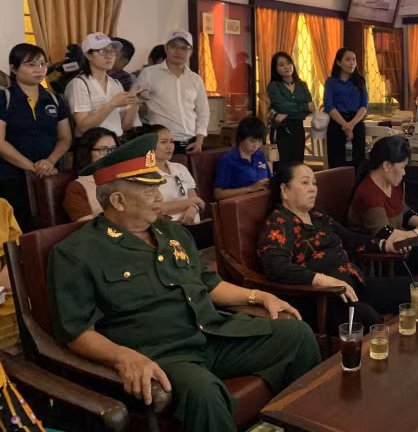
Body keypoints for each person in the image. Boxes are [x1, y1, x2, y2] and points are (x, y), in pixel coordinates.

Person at [48, 134, 320, 431]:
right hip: (164, 353)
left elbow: (206, 282)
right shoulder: (77, 253)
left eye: (157, 187)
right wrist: (123, 357)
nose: (159, 197)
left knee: (298, 335)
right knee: (204, 394)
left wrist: (257, 296)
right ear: (118, 201)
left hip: (213, 332)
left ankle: (296, 424)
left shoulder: (170, 231)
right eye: (149, 190)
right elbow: (75, 332)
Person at [259, 162, 412, 334]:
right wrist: (324, 280)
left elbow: (350, 239)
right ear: (284, 190)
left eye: (314, 183)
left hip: (352, 285)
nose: (312, 189)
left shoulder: (317, 215)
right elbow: (276, 267)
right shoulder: (278, 223)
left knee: (410, 289)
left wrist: (385, 245)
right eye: (305, 183)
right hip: (321, 299)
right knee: (366, 317)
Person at [348, 136, 418, 293]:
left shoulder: (391, 184)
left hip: (401, 245)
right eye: (402, 167)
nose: (404, 172)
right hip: (382, 256)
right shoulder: (368, 193)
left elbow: (405, 213)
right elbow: (384, 233)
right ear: (386, 165)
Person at [0, 43, 72, 232]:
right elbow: (0, 142)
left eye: (42, 64)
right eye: (30, 64)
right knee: (17, 228)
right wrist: (32, 167)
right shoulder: (4, 98)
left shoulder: (54, 99)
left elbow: (65, 138)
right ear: (14, 69)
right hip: (11, 177)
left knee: (51, 225)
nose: (39, 69)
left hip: (49, 174)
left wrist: (49, 162)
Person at [134, 30, 210, 154]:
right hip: (161, 143)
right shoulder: (150, 74)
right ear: (166, 48)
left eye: (184, 48)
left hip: (191, 142)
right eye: (174, 46)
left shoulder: (195, 79)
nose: (179, 51)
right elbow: (132, 102)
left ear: (190, 52)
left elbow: (203, 112)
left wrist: (199, 140)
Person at [65, 32, 142, 138]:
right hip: (93, 147)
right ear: (88, 55)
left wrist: (136, 103)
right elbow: (83, 126)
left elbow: (125, 125)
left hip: (116, 143)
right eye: (103, 51)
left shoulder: (116, 83)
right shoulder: (79, 83)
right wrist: (112, 104)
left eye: (112, 51)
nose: (109, 56)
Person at [144, 124, 204, 224]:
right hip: (168, 228)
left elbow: (197, 201)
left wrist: (194, 208)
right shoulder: (145, 174)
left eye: (171, 141)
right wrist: (194, 201)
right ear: (149, 145)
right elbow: (160, 207)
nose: (170, 146)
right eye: (163, 142)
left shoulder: (180, 168)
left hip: (194, 225)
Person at [324, 48, 368, 169]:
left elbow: (364, 106)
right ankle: (338, 187)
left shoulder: (360, 81)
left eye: (353, 60)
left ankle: (356, 187)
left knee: (359, 162)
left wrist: (352, 125)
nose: (352, 63)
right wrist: (346, 126)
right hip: (337, 122)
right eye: (347, 59)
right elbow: (329, 106)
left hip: (356, 122)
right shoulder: (331, 82)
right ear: (338, 62)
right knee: (336, 161)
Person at [63, 127, 121, 222]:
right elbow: (89, 228)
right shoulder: (77, 187)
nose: (110, 155)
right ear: (87, 153)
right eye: (103, 150)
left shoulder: (126, 177)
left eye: (114, 149)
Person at [267, 52, 313, 164]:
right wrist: (303, 107)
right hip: (281, 129)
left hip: (298, 129)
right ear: (275, 68)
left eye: (288, 63)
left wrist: (287, 112)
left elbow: (310, 108)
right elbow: (282, 106)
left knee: (297, 165)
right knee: (282, 166)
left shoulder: (302, 85)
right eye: (281, 65)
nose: (286, 67)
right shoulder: (274, 86)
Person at [214, 117, 271, 201]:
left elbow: (270, 178)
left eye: (259, 142)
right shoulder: (228, 160)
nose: (256, 146)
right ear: (241, 138)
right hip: (242, 206)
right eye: (252, 141)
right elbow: (218, 194)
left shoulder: (260, 155)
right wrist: (250, 189)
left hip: (264, 202)